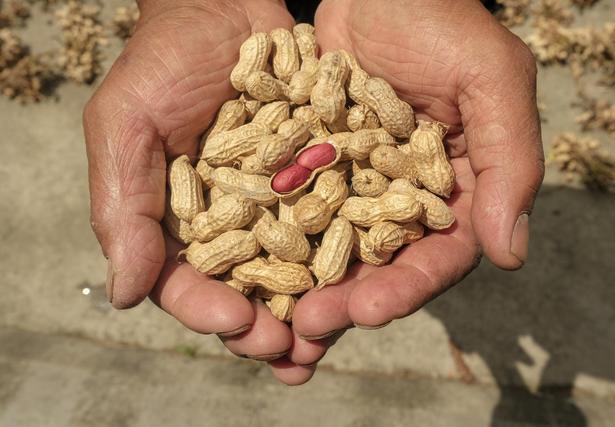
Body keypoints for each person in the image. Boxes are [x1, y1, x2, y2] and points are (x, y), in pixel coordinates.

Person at [83, 0, 544, 386]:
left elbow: (383, 162)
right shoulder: (261, 151)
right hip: (287, 147)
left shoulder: (352, 135)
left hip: (367, 63)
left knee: (382, 195)